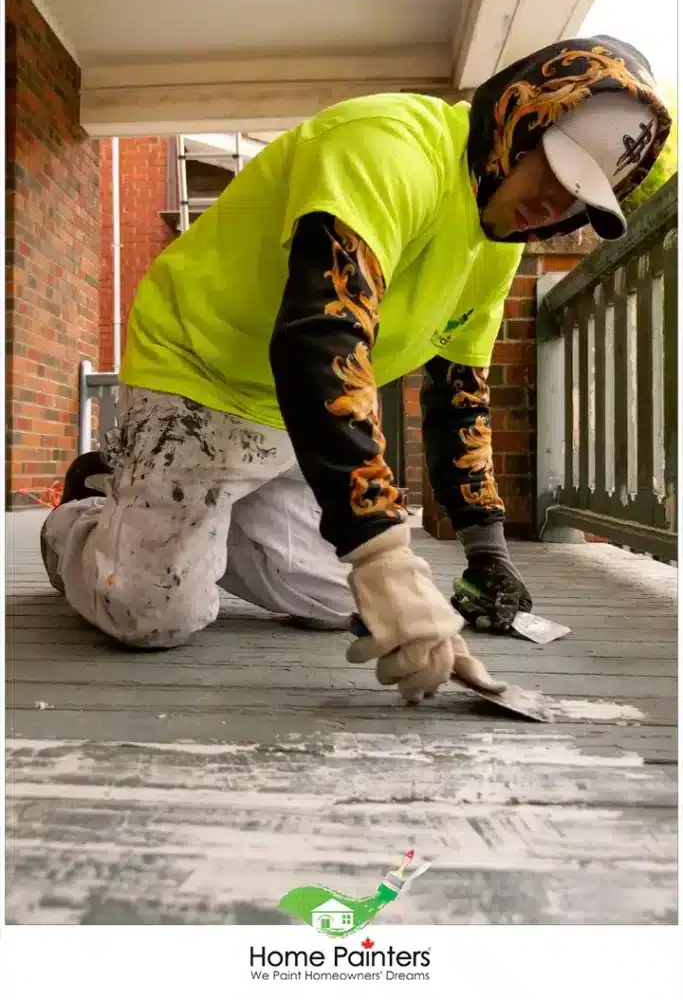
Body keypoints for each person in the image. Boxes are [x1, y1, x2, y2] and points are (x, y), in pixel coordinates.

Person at [41, 35, 670, 705]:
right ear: (515, 118)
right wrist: (382, 555)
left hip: (297, 422)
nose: (556, 207)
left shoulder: (497, 245)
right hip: (202, 373)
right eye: (554, 169)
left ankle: (196, 509)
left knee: (332, 602)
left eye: (582, 199)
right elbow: (321, 337)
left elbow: (459, 398)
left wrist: (488, 558)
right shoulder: (388, 144)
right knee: (153, 614)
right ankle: (85, 508)